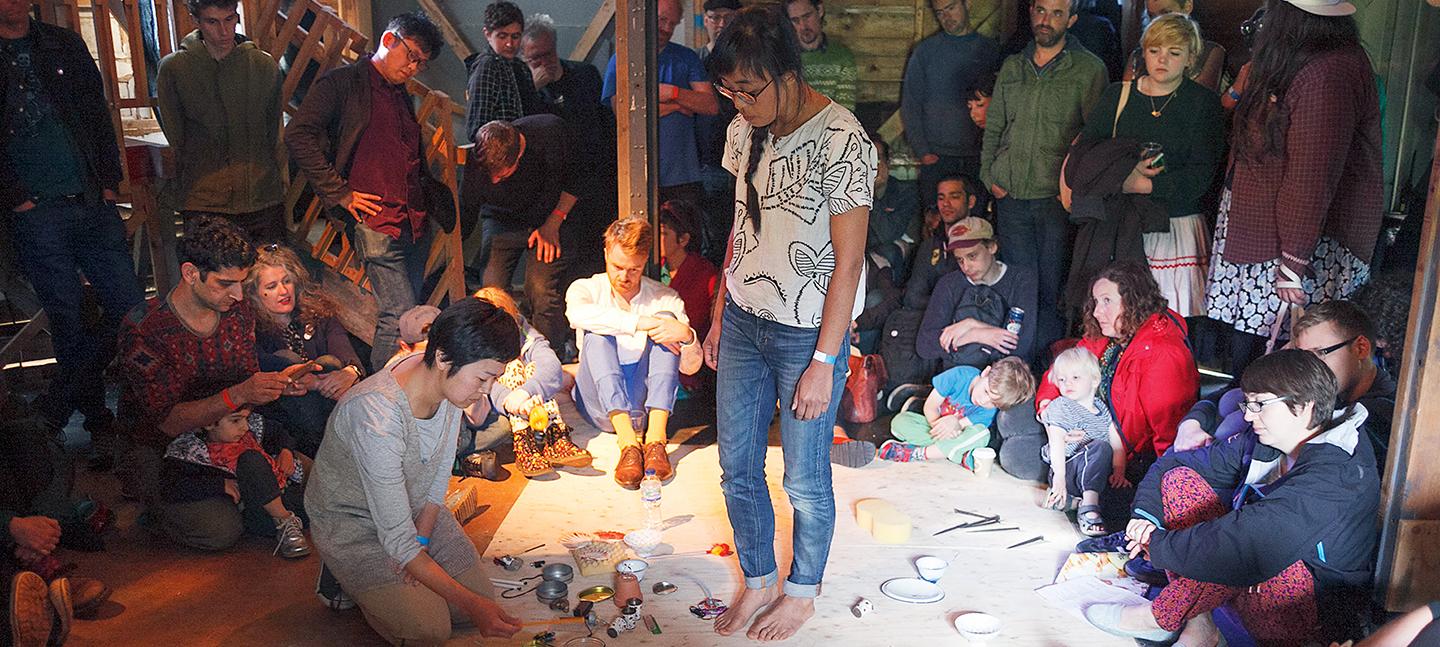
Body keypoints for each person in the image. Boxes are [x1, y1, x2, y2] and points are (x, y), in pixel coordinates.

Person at [703, 8, 875, 640]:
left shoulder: (843, 139)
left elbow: (849, 260)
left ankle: (801, 593)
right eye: (731, 92)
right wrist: (721, 311)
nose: (740, 104)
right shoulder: (746, 130)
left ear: (786, 73)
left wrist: (827, 363)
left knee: (804, 477)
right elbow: (740, 226)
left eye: (750, 90)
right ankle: (758, 580)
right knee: (737, 465)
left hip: (808, 333)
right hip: (746, 317)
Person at [1085, 350, 1379, 646]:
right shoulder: (1268, 439)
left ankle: (1161, 617)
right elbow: (1172, 464)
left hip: (1312, 616)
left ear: (1302, 406)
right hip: (1257, 574)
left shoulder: (1339, 471)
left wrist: (1158, 545)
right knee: (1180, 484)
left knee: (1242, 545)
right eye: (1248, 404)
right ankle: (1200, 627)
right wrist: (1145, 519)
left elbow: (1248, 544)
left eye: (1260, 404)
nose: (1248, 415)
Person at [305, 298, 523, 645]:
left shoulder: (448, 387)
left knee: (478, 600)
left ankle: (391, 583)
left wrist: (418, 544)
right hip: (353, 523)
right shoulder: (376, 414)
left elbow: (437, 480)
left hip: (411, 507)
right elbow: (396, 539)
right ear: (442, 358)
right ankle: (341, 577)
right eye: (483, 378)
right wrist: (408, 552)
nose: (485, 390)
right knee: (429, 629)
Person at [0, 0, 145, 467]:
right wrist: (16, 196)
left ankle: (58, 410)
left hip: (87, 198)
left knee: (130, 308)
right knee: (67, 319)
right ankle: (97, 419)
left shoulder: (62, 43)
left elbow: (97, 115)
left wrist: (107, 182)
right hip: (33, 210)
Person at [1205, 0, 1381, 377]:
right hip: (1269, 233)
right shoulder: (1302, 61)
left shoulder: (1328, 71)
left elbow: (1311, 175)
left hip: (1290, 247)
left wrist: (1293, 262)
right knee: (1260, 362)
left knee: (1285, 365)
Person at [116, 217, 308, 550]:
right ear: (190, 273)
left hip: (234, 435)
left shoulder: (237, 311)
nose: (238, 295)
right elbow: (168, 421)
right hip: (167, 455)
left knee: (316, 482)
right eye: (225, 283)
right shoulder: (144, 328)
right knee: (219, 531)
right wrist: (239, 395)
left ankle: (256, 500)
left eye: (242, 282)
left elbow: (246, 383)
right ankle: (161, 508)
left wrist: (273, 388)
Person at [285, 11, 450, 370]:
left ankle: (397, 394)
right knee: (400, 313)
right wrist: (339, 192)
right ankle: (380, 397)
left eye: (421, 63)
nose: (413, 68)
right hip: (375, 219)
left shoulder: (400, 95)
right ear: (389, 40)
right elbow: (298, 133)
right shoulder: (343, 83)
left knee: (409, 312)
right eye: (411, 56)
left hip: (413, 220)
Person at [1076, 13, 1223, 318]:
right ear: (1143, 52)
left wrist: (1148, 185)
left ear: (1190, 57)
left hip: (1175, 225)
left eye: (1174, 53)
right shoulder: (1119, 95)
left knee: (1170, 320)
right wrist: (1122, 176)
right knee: (1118, 316)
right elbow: (1085, 154)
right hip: (1119, 223)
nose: (1162, 60)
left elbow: (1203, 172)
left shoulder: (1203, 103)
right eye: (1154, 50)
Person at [982, 0, 1108, 350]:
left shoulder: (1088, 69)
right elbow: (994, 127)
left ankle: (1048, 366)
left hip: (1055, 198)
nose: (1046, 20)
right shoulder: (1012, 66)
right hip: (1011, 194)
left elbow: (1094, 135)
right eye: (1040, 11)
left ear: (1072, 19)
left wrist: (1072, 190)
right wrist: (989, 174)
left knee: (1053, 287)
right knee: (1018, 285)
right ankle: (1016, 363)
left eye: (1056, 13)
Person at [1174, 300, 1396, 467]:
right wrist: (1191, 424)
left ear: (1361, 348)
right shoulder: (1328, 384)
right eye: (1300, 354)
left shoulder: (1378, 415)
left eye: (1319, 353)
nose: (1306, 365)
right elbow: (1233, 393)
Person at [567, 219, 701, 488]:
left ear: (645, 261)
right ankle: (627, 444)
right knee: (596, 332)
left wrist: (687, 336)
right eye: (617, 266)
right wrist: (640, 323)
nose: (624, 277)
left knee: (667, 320)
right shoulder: (585, 288)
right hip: (599, 404)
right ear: (606, 253)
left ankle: (655, 442)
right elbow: (577, 314)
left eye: (634, 269)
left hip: (645, 403)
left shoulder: (665, 296)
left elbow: (691, 368)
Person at [156, 0, 287, 245]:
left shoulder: (263, 65)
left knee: (271, 275)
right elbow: (176, 135)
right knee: (214, 279)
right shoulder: (175, 69)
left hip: (262, 196)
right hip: (205, 199)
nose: (224, 31)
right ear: (196, 21)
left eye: (229, 19)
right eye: (212, 22)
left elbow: (273, 131)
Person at [463, 116, 578, 348]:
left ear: (519, 154)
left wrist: (553, 223)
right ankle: (500, 353)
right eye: (490, 175)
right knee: (491, 292)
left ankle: (549, 357)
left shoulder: (550, 134)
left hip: (550, 217)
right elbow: (467, 207)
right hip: (501, 220)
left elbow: (578, 181)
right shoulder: (480, 158)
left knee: (540, 288)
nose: (494, 181)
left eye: (503, 175)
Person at [519, 14, 615, 281]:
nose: (542, 63)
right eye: (533, 58)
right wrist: (534, 88)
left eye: (547, 54)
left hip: (595, 184)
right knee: (555, 274)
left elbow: (603, 127)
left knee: (596, 263)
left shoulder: (585, 75)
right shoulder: (527, 90)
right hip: (555, 193)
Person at [245, 245, 364, 457]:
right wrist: (313, 382)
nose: (283, 291)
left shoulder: (318, 312)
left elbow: (343, 347)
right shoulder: (249, 328)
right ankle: (335, 446)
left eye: (287, 281)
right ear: (254, 294)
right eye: (271, 286)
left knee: (331, 363)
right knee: (287, 361)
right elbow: (266, 367)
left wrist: (351, 372)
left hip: (328, 410)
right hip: (284, 423)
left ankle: (339, 443)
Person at [602, 0, 719, 207]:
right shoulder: (622, 57)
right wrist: (678, 105)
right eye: (663, 20)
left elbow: (710, 104)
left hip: (683, 175)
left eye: (672, 24)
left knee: (685, 235)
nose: (667, 28)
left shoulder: (686, 57)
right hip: (636, 175)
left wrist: (672, 92)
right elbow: (623, 112)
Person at [467, 287, 588, 478]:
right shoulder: (472, 343)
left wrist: (526, 392)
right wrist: (513, 400)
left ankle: (554, 437)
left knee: (534, 369)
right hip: (494, 407)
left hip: (529, 402)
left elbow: (550, 365)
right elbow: (485, 386)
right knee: (512, 367)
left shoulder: (524, 331)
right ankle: (526, 443)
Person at [161, 406, 310, 558]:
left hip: (285, 492)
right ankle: (285, 521)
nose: (244, 427)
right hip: (255, 511)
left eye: (246, 418)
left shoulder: (254, 428)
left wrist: (286, 451)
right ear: (209, 423)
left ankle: (294, 520)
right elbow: (173, 485)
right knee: (250, 460)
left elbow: (281, 433)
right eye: (236, 420)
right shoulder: (189, 451)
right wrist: (218, 485)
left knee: (314, 510)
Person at [902, 0, 1002, 205]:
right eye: (940, 13)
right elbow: (911, 103)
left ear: (968, 4)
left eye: (951, 8)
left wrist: (994, 154)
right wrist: (923, 152)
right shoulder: (925, 52)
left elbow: (1004, 104)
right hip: (938, 157)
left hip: (979, 156)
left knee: (976, 225)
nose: (946, 17)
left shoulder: (990, 51)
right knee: (936, 224)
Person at [917, 216, 1039, 369]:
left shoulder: (1021, 280)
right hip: (957, 377)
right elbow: (924, 345)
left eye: (972, 256)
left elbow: (1020, 345)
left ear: (992, 247)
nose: (966, 267)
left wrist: (970, 325)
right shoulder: (949, 284)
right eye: (960, 260)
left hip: (1003, 381)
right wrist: (975, 334)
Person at [879, 357, 1034, 464]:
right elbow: (931, 406)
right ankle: (957, 454)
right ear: (986, 373)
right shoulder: (958, 375)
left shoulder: (988, 410)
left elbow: (964, 427)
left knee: (981, 434)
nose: (984, 401)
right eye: (987, 392)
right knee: (899, 422)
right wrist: (937, 426)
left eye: (994, 403)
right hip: (936, 426)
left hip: (957, 434)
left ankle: (918, 453)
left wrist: (956, 424)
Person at [1038, 347, 1120, 536]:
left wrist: (1119, 471)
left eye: (1075, 378)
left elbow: (1117, 444)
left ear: (1094, 381)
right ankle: (1089, 508)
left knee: (1118, 494)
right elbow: (1057, 441)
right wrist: (1059, 477)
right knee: (1100, 447)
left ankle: (1072, 502)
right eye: (1062, 379)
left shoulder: (1101, 408)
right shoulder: (1062, 406)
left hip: (1095, 472)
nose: (1068, 383)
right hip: (1067, 469)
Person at [658, 200, 719, 393]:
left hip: (690, 370)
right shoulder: (653, 267)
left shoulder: (705, 273)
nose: (656, 239)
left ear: (683, 239)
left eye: (663, 234)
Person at [464, 2, 543, 145]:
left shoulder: (521, 68)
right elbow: (477, 130)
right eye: (502, 36)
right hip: (501, 156)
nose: (509, 43)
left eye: (515, 36)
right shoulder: (487, 66)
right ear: (487, 34)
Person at [903, 175, 980, 310]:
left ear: (971, 201)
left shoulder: (983, 245)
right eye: (941, 198)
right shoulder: (930, 245)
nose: (946, 204)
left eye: (954, 197)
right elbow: (912, 297)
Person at [1121, 0, 1227, 92]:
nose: (1159, 21)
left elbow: (1199, 101)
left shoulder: (1210, 52)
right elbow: (1125, 100)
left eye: (1166, 13)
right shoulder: (1138, 56)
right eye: (1152, 16)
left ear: (1187, 6)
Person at [865, 138, 922, 286]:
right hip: (861, 254)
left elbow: (888, 234)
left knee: (890, 251)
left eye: (876, 158)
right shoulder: (848, 191)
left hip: (889, 255)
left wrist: (869, 193)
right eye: (866, 158)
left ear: (887, 162)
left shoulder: (905, 191)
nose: (871, 165)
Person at [784, 0, 857, 112]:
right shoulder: (783, 57)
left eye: (807, 16)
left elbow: (846, 112)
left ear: (820, 10)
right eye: (795, 20)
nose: (803, 26)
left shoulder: (842, 57)